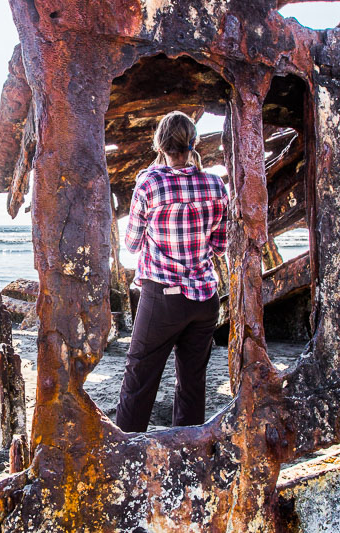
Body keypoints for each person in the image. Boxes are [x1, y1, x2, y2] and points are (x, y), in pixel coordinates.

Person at [115, 111, 228, 432]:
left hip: (162, 299)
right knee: (192, 382)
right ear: (194, 143)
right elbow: (220, 246)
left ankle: (127, 447)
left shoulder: (149, 183)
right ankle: (187, 449)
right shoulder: (215, 184)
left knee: (140, 376)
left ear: (159, 145)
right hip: (205, 298)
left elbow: (133, 243)